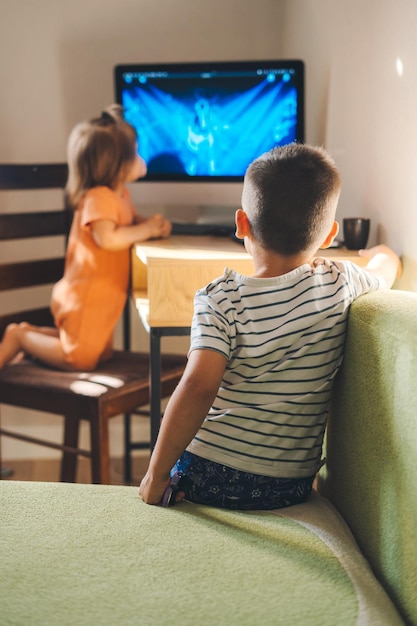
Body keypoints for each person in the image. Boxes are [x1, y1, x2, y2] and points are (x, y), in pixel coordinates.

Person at [139, 143, 401, 511]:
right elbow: (387, 270)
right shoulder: (341, 283)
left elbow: (198, 386)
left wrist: (156, 474)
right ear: (328, 235)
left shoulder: (220, 298)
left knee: (174, 475)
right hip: (288, 486)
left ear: (241, 223)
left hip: (209, 475)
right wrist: (382, 254)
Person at [0, 105, 171, 371]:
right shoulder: (98, 198)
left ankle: (27, 333)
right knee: (78, 359)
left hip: (103, 300)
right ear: (114, 164)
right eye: (134, 152)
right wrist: (147, 230)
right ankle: (20, 338)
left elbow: (128, 222)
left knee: (90, 353)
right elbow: (108, 239)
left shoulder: (119, 195)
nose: (140, 157)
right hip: (87, 299)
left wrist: (150, 224)